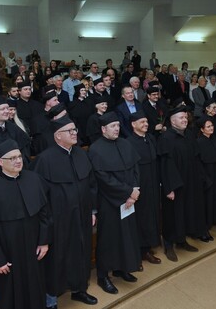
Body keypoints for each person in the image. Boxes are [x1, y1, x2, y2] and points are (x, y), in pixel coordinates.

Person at [0, 139, 51, 309]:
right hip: (7, 254)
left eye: (19, 156)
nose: (18, 161)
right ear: (0, 162)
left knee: (36, 290)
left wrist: (44, 241)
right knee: (9, 296)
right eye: (12, 158)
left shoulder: (34, 179)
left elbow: (45, 214)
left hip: (33, 249)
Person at [31, 116, 98, 307]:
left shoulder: (81, 154)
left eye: (75, 129)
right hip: (57, 220)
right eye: (70, 131)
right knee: (56, 259)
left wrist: (92, 210)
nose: (75, 133)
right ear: (57, 136)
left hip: (82, 215)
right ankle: (51, 299)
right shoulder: (44, 160)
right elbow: (39, 197)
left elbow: (92, 185)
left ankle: (79, 289)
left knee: (81, 252)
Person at [88, 112, 142, 294]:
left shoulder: (125, 143)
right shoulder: (96, 149)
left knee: (126, 235)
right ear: (103, 129)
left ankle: (122, 268)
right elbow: (103, 179)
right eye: (113, 126)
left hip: (129, 199)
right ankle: (103, 276)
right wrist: (128, 193)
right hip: (109, 201)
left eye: (118, 126)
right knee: (109, 239)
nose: (117, 129)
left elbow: (135, 168)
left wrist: (134, 191)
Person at [157, 106, 207, 261]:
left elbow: (196, 158)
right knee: (172, 215)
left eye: (186, 118)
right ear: (172, 121)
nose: (185, 120)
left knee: (186, 212)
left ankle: (182, 240)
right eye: (181, 118)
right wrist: (169, 187)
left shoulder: (189, 135)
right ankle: (169, 244)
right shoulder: (165, 138)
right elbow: (165, 166)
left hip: (190, 182)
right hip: (174, 185)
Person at [127, 112, 162, 265]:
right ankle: (141, 251)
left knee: (152, 215)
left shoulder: (150, 138)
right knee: (142, 218)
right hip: (140, 186)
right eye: (142, 122)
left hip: (153, 183)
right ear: (133, 124)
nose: (146, 124)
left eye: (147, 121)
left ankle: (148, 245)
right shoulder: (128, 142)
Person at [195, 116, 216, 241]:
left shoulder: (215, 139)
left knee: (214, 202)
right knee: (205, 205)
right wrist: (206, 179)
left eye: (212, 126)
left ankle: (210, 225)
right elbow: (198, 163)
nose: (211, 128)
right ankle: (203, 230)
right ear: (202, 129)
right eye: (208, 126)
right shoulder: (199, 142)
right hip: (206, 178)